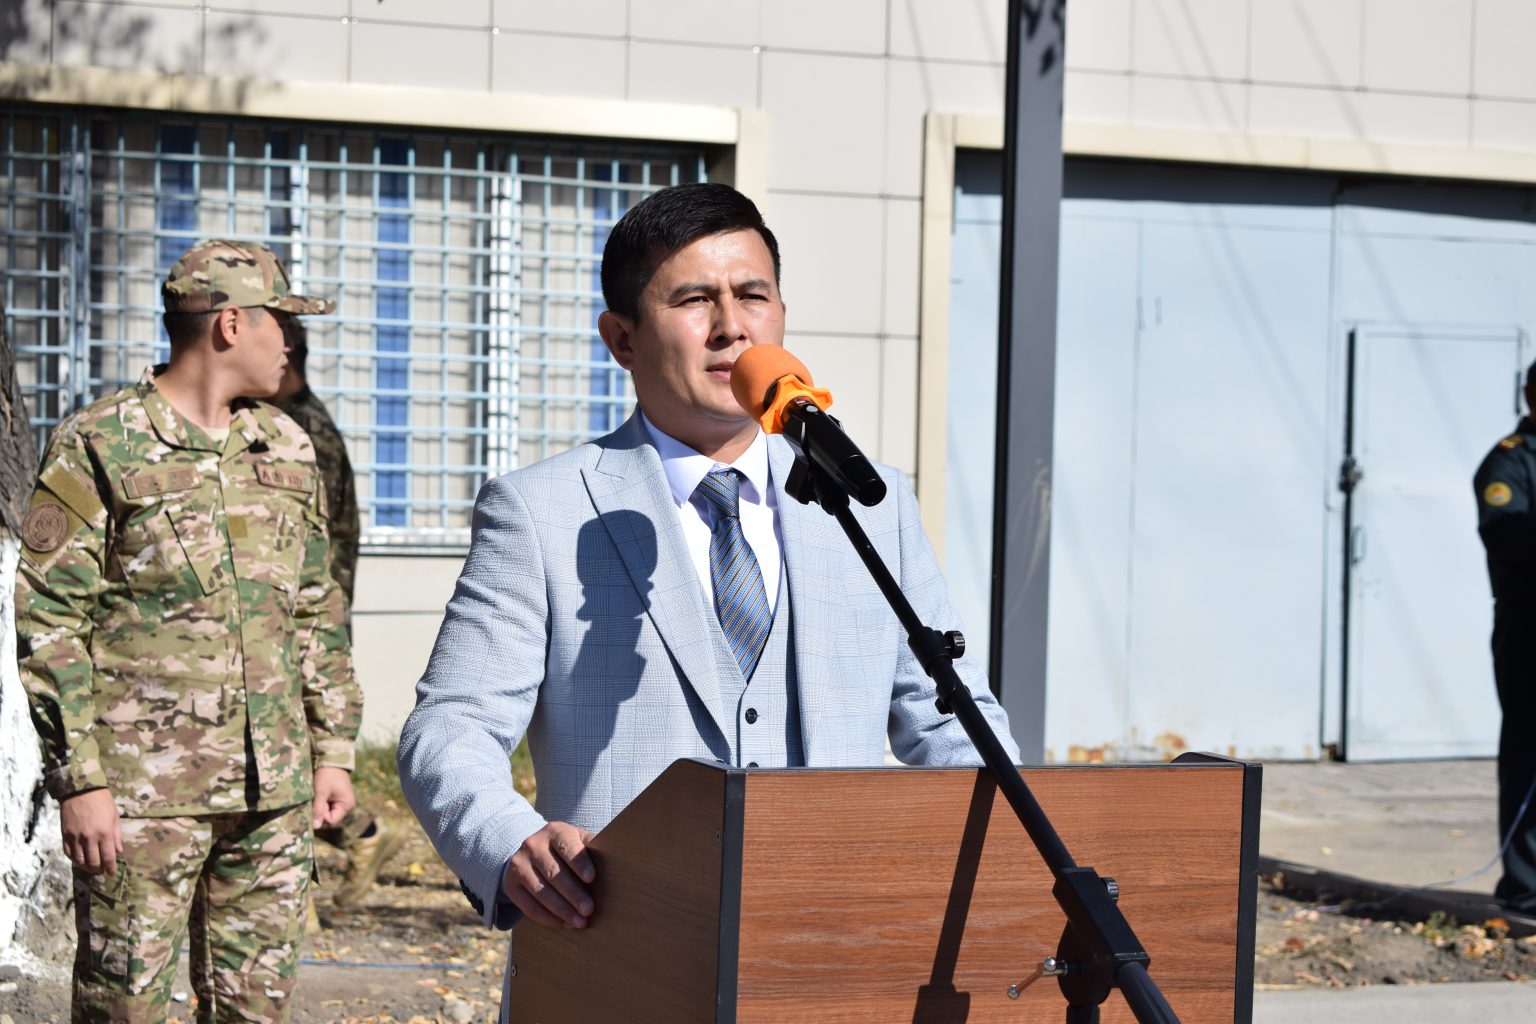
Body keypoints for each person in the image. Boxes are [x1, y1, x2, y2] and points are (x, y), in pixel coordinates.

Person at [397, 182, 1017, 960]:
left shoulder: (870, 503)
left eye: (753, 295)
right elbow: (451, 727)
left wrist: (1018, 870)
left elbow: (949, 718)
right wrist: (509, 840)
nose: (732, 327)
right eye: (694, 300)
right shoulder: (541, 510)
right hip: (620, 955)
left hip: (839, 952)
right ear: (622, 339)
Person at [15, 239, 362, 1021]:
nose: (291, 343)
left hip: (273, 795)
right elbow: (51, 620)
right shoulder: (101, 442)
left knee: (254, 1010)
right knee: (123, 1009)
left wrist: (334, 748)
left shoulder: (287, 446)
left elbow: (316, 608)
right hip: (141, 798)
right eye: (281, 322)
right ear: (232, 325)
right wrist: (81, 780)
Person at [273, 320, 406, 910]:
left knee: (291, 758)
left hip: (302, 623)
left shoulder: (302, 433)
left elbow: (307, 550)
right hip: (301, 619)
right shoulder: (293, 422)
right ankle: (365, 834)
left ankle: (304, 893)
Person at [1473, 359, 1536, 915]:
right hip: (1528, 629)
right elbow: (1508, 536)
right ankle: (1525, 889)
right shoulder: (1509, 461)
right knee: (1528, 752)